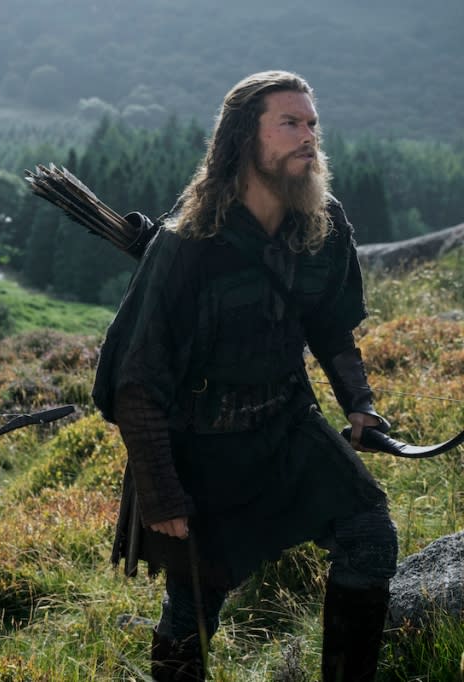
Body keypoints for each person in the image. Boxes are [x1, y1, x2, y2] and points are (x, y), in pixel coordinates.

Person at [92, 71, 398, 681]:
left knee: (370, 536)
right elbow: (135, 380)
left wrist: (359, 405)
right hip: (200, 445)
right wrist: (161, 493)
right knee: (193, 608)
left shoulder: (323, 220)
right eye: (290, 123)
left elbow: (331, 325)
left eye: (312, 123)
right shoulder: (186, 242)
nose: (308, 136)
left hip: (286, 423)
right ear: (242, 139)